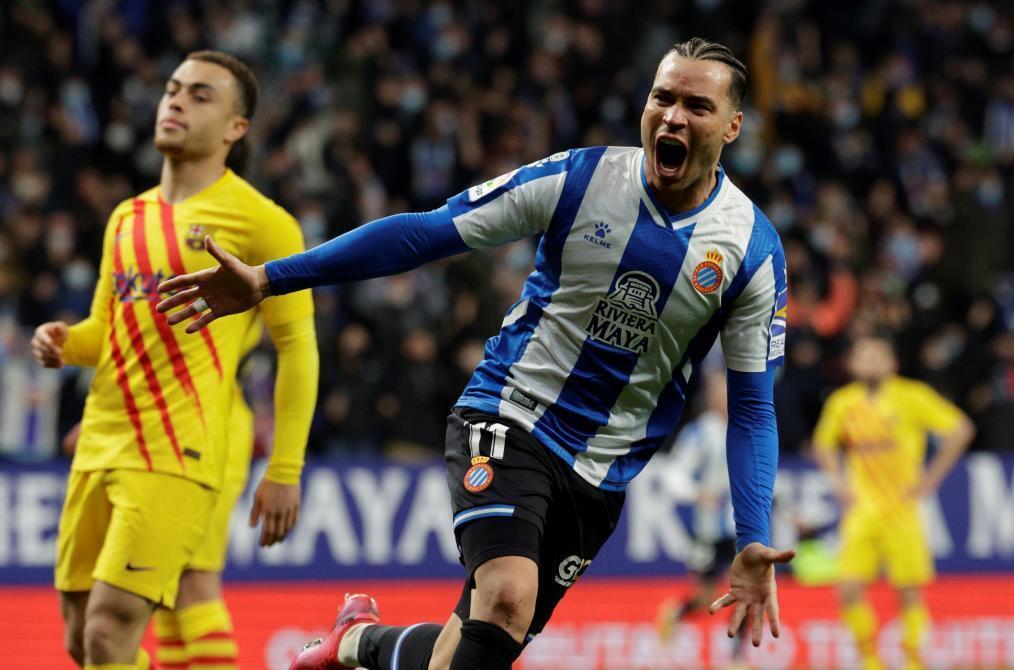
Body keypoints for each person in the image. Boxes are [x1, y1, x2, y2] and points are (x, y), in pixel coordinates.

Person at [159, 38, 796, 670]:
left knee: (462, 650)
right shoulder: (580, 178)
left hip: (600, 473)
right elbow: (425, 233)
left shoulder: (750, 252)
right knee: (507, 598)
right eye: (662, 97)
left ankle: (356, 642)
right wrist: (270, 278)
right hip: (509, 413)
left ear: (733, 125)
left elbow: (750, 412)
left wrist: (752, 538)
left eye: (697, 106)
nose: (673, 116)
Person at [30, 50, 318, 670]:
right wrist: (64, 342)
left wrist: (286, 467)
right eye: (171, 89)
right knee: (82, 640)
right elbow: (105, 329)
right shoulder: (124, 217)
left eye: (200, 95)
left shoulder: (263, 222)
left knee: (114, 629)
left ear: (237, 128)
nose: (176, 102)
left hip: (178, 450)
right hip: (101, 441)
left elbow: (298, 347)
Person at [812, 334, 974, 670]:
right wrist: (838, 482)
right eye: (863, 354)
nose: (870, 360)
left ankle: (914, 661)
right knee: (848, 590)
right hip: (862, 511)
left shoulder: (912, 396)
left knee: (909, 592)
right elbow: (823, 445)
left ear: (893, 363)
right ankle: (871, 661)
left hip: (902, 511)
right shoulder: (842, 402)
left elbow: (960, 429)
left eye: (878, 354)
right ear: (852, 363)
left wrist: (930, 480)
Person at [654, 369, 747, 669]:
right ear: (711, 396)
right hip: (706, 529)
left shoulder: (748, 428)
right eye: (722, 391)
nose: (728, 397)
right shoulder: (700, 432)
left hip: (740, 528)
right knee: (707, 597)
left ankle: (736, 659)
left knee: (745, 589)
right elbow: (672, 472)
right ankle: (677, 612)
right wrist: (696, 493)